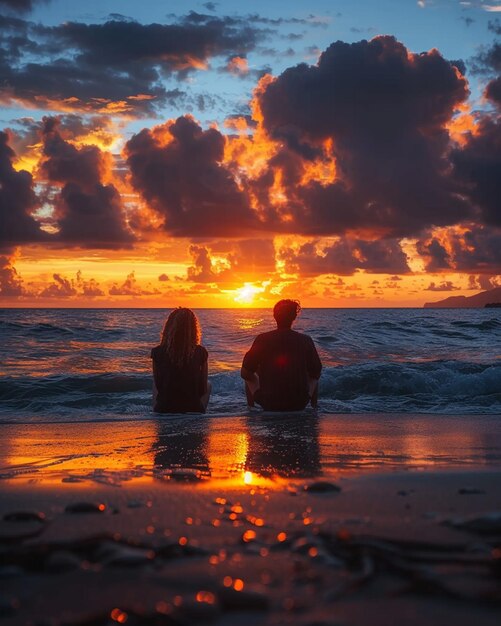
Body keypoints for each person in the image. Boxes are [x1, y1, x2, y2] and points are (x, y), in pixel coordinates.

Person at [241, 299, 322, 411]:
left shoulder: (262, 339)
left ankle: (251, 409)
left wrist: (261, 372)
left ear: (274, 316)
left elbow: (245, 373)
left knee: (249, 373)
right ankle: (314, 409)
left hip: (268, 403)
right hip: (299, 403)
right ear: (294, 317)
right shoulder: (306, 340)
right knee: (314, 374)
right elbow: (316, 371)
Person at [151, 308, 210, 413]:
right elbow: (203, 388)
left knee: (154, 385)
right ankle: (200, 414)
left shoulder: (157, 352)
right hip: (193, 408)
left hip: (164, 409)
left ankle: (158, 413)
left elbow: (158, 384)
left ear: (168, 328)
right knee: (209, 384)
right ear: (193, 329)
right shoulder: (200, 352)